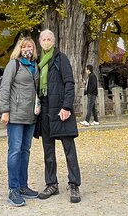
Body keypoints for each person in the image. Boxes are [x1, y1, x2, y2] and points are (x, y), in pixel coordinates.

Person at [36, 29, 81, 204]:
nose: (46, 41)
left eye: (49, 39)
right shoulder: (39, 62)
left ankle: (74, 184)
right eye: (44, 39)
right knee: (48, 150)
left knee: (69, 149)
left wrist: (67, 106)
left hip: (60, 109)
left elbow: (69, 82)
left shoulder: (60, 58)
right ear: (40, 42)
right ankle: (51, 183)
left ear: (54, 42)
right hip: (45, 110)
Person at [0, 37, 40, 207]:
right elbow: (5, 87)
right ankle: (13, 188)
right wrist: (5, 111)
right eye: (24, 47)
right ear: (19, 49)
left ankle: (23, 185)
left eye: (30, 46)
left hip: (30, 115)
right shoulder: (14, 64)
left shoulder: (35, 66)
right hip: (15, 114)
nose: (27, 49)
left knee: (25, 150)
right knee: (15, 150)